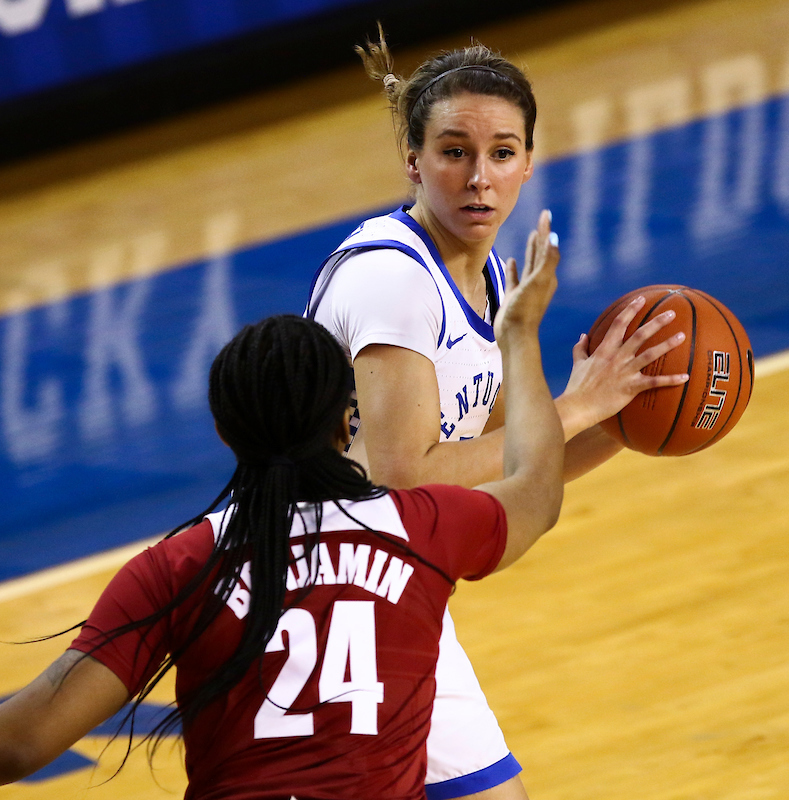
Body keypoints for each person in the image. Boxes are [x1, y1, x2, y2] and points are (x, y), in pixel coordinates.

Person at [0, 215, 565, 798]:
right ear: (347, 420)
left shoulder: (176, 569)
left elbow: (19, 745)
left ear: (224, 432)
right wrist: (520, 337)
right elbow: (536, 490)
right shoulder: (420, 526)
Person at [304, 31, 689, 800]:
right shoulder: (393, 279)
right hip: (318, 588)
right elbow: (403, 477)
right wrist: (578, 403)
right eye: (454, 151)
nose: (480, 178)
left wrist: (624, 417)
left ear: (528, 163)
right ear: (413, 161)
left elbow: (519, 465)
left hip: (380, 587)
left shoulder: (487, 286)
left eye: (502, 153)